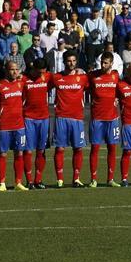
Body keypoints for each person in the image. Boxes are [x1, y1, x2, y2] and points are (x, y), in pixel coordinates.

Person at [50, 51, 90, 188]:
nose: (71, 63)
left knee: (78, 149)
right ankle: (60, 179)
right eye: (69, 61)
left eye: (73, 61)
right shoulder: (56, 78)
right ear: (64, 61)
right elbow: (42, 85)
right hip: (61, 117)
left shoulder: (83, 78)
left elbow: (98, 87)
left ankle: (76, 178)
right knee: (60, 149)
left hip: (77, 118)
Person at [0, 60, 30, 192]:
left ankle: (18, 182)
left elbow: (34, 76)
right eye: (11, 69)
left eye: (16, 69)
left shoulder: (21, 82)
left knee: (19, 153)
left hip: (19, 125)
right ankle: (2, 183)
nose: (14, 72)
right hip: (4, 125)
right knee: (2, 154)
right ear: (6, 70)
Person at [88, 52, 123, 187]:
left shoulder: (115, 76)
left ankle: (110, 179)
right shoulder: (92, 76)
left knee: (112, 148)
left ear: (111, 63)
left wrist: (117, 98)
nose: (103, 65)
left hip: (112, 118)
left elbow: (121, 91)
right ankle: (94, 179)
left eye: (106, 63)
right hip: (97, 118)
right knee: (95, 148)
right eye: (102, 62)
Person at [22, 60, 53, 188]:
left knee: (41, 150)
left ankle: (38, 180)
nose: (41, 75)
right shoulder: (23, 79)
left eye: (43, 72)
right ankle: (29, 181)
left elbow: (64, 77)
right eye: (39, 72)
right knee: (28, 151)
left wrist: (78, 71)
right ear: (33, 68)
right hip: (28, 118)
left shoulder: (48, 76)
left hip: (44, 118)